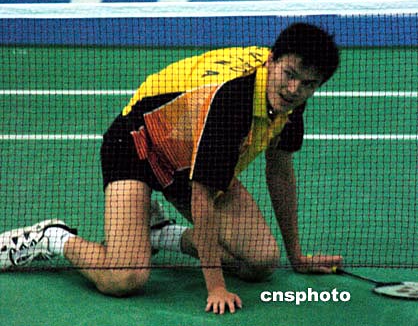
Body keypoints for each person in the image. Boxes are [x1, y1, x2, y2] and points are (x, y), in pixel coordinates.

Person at [0, 22, 342, 314]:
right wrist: (216, 287)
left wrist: (297, 256)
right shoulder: (232, 101)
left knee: (260, 261)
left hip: (186, 151)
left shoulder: (288, 100)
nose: (294, 89)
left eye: (308, 84)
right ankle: (53, 238)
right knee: (125, 277)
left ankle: (159, 233)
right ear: (271, 60)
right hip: (138, 142)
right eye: (289, 75)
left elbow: (280, 171)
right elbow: (202, 197)